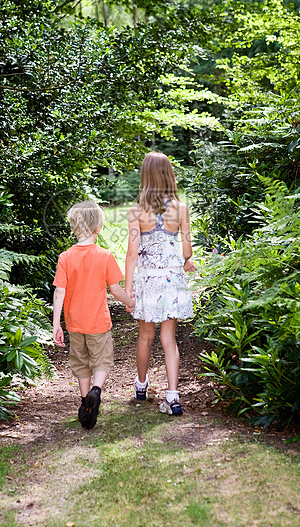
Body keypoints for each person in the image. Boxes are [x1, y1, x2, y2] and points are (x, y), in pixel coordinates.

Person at [53, 200, 135, 429]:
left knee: (81, 363)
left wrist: (56, 325)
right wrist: (131, 302)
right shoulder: (105, 256)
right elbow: (115, 289)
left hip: (74, 322)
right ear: (98, 228)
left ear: (72, 228)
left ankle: (84, 402)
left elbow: (60, 291)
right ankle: (96, 391)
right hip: (98, 322)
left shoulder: (65, 257)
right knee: (102, 360)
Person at [125, 152, 196, 416]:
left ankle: (141, 386)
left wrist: (128, 286)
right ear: (169, 175)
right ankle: (173, 397)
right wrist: (185, 260)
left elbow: (132, 253)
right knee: (169, 338)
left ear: (146, 176)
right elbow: (187, 249)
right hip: (171, 278)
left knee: (145, 335)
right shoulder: (181, 209)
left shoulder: (136, 212)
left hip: (148, 279)